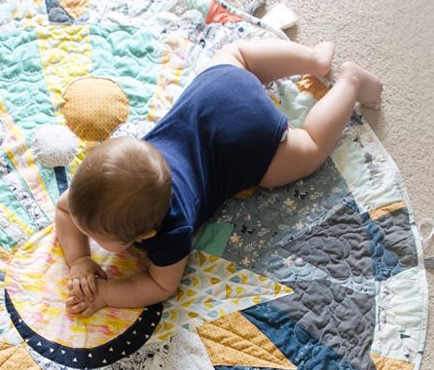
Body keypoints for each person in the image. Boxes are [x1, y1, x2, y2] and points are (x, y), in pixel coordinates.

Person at [55, 38, 383, 316]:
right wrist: (80, 259)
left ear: (146, 233)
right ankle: (313, 59)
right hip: (218, 89)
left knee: (309, 148)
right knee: (238, 54)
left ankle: (350, 82)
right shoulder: (103, 185)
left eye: (94, 238)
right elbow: (65, 210)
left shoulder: (171, 233)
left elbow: (160, 286)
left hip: (246, 139)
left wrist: (107, 295)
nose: (86, 234)